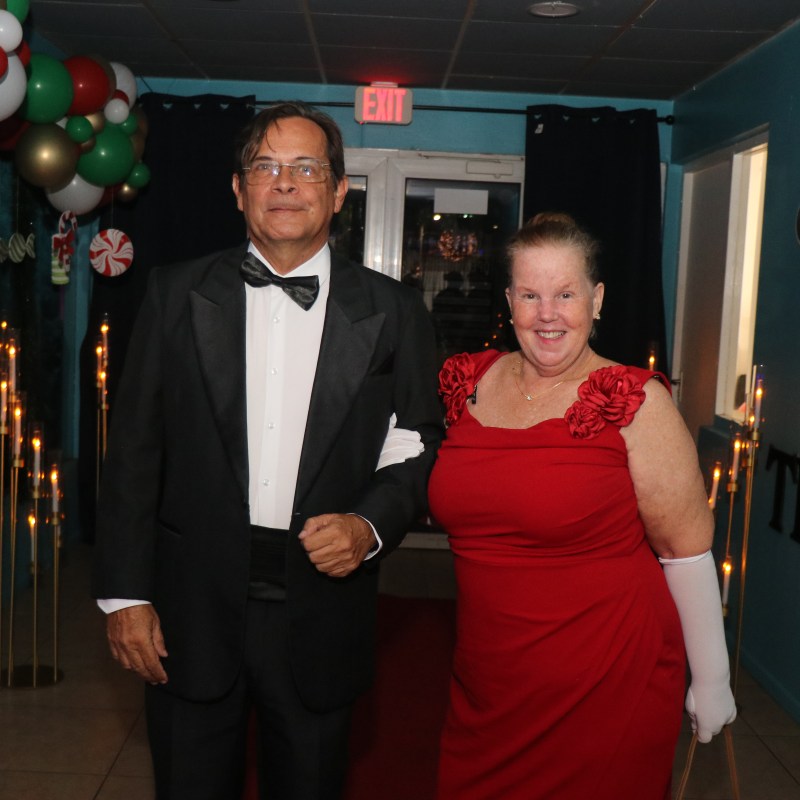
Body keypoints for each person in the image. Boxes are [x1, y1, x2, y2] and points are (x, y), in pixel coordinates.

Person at [92, 101, 443, 800]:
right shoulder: (173, 294)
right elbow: (134, 449)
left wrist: (369, 525)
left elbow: (415, 439)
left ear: (338, 192)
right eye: (266, 167)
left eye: (307, 168)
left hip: (324, 606)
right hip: (189, 607)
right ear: (238, 189)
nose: (285, 183)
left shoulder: (395, 311)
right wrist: (125, 594)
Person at [428, 212, 736, 800]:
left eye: (565, 294)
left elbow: (687, 550)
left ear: (596, 300)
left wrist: (713, 676)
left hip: (607, 679)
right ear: (509, 302)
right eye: (530, 295)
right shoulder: (469, 382)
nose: (547, 314)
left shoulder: (633, 401)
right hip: (488, 686)